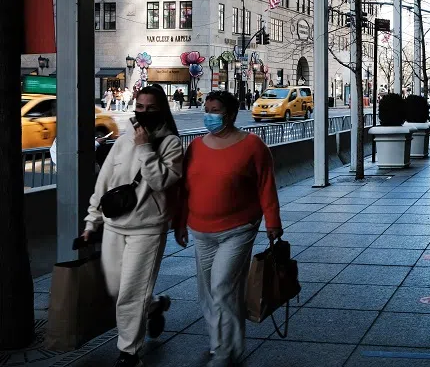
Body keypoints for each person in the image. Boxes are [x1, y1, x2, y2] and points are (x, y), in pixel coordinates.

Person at [173, 90, 282, 367]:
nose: (209, 114)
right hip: (200, 230)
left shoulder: (253, 146)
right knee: (209, 291)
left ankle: (225, 351)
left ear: (231, 114)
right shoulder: (196, 147)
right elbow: (185, 189)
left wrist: (272, 221)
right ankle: (221, 342)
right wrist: (180, 222)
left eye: (215, 110)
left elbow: (266, 185)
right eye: (206, 108)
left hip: (238, 229)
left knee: (222, 287)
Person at [82, 86, 184, 367]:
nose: (144, 113)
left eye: (151, 108)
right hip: (115, 226)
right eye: (140, 106)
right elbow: (105, 182)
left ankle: (128, 352)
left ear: (161, 109)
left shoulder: (170, 143)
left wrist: (145, 148)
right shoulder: (124, 137)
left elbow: (161, 181)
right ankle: (154, 307)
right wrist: (92, 221)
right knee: (117, 289)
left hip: (148, 229)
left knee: (131, 293)